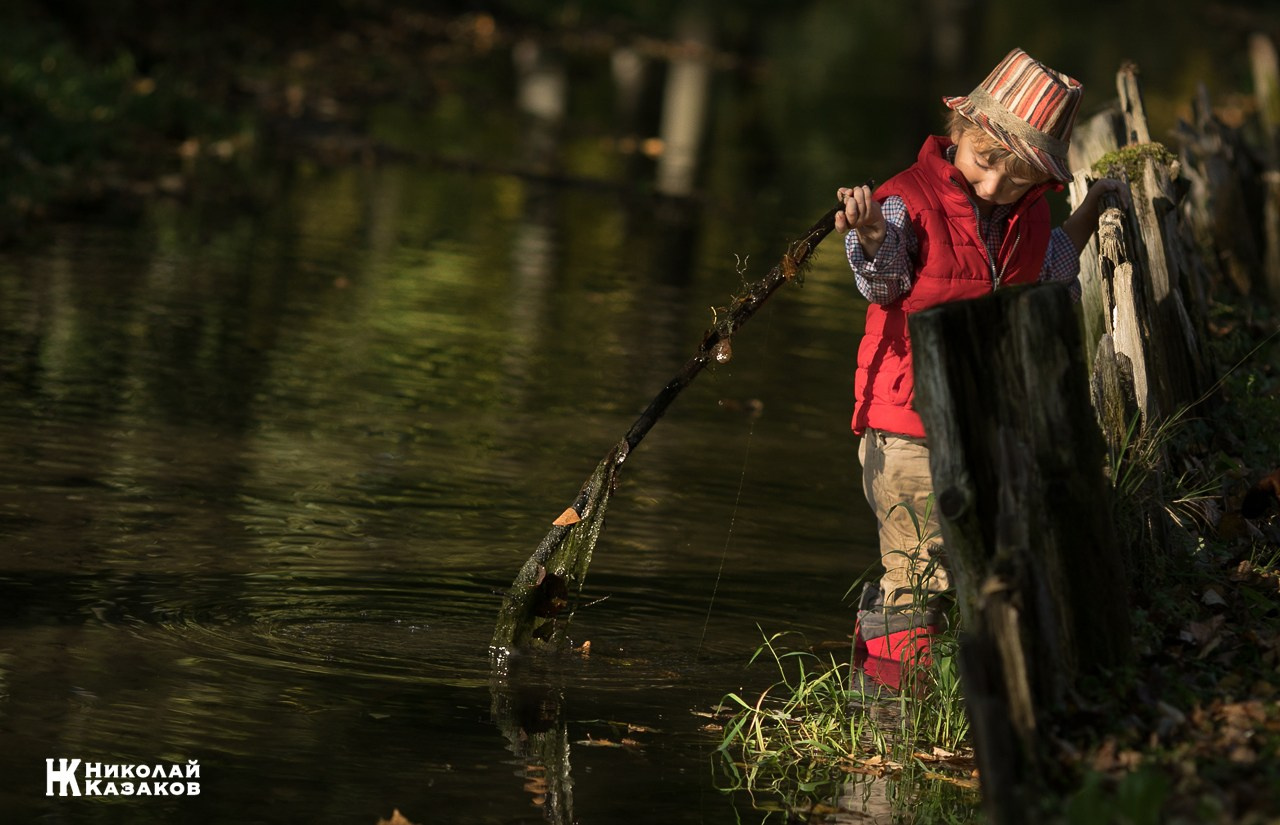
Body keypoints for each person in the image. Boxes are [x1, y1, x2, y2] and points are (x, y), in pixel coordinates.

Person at [837, 47, 1130, 690]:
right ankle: (896, 713)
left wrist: (1096, 203)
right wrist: (869, 241)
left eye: (1018, 176)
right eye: (985, 160)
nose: (995, 184)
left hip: (979, 423)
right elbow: (884, 285)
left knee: (961, 560)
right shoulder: (904, 202)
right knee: (921, 570)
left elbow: (1052, 264)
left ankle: (879, 666)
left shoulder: (1027, 221)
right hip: (906, 427)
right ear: (958, 136)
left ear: (1043, 180)